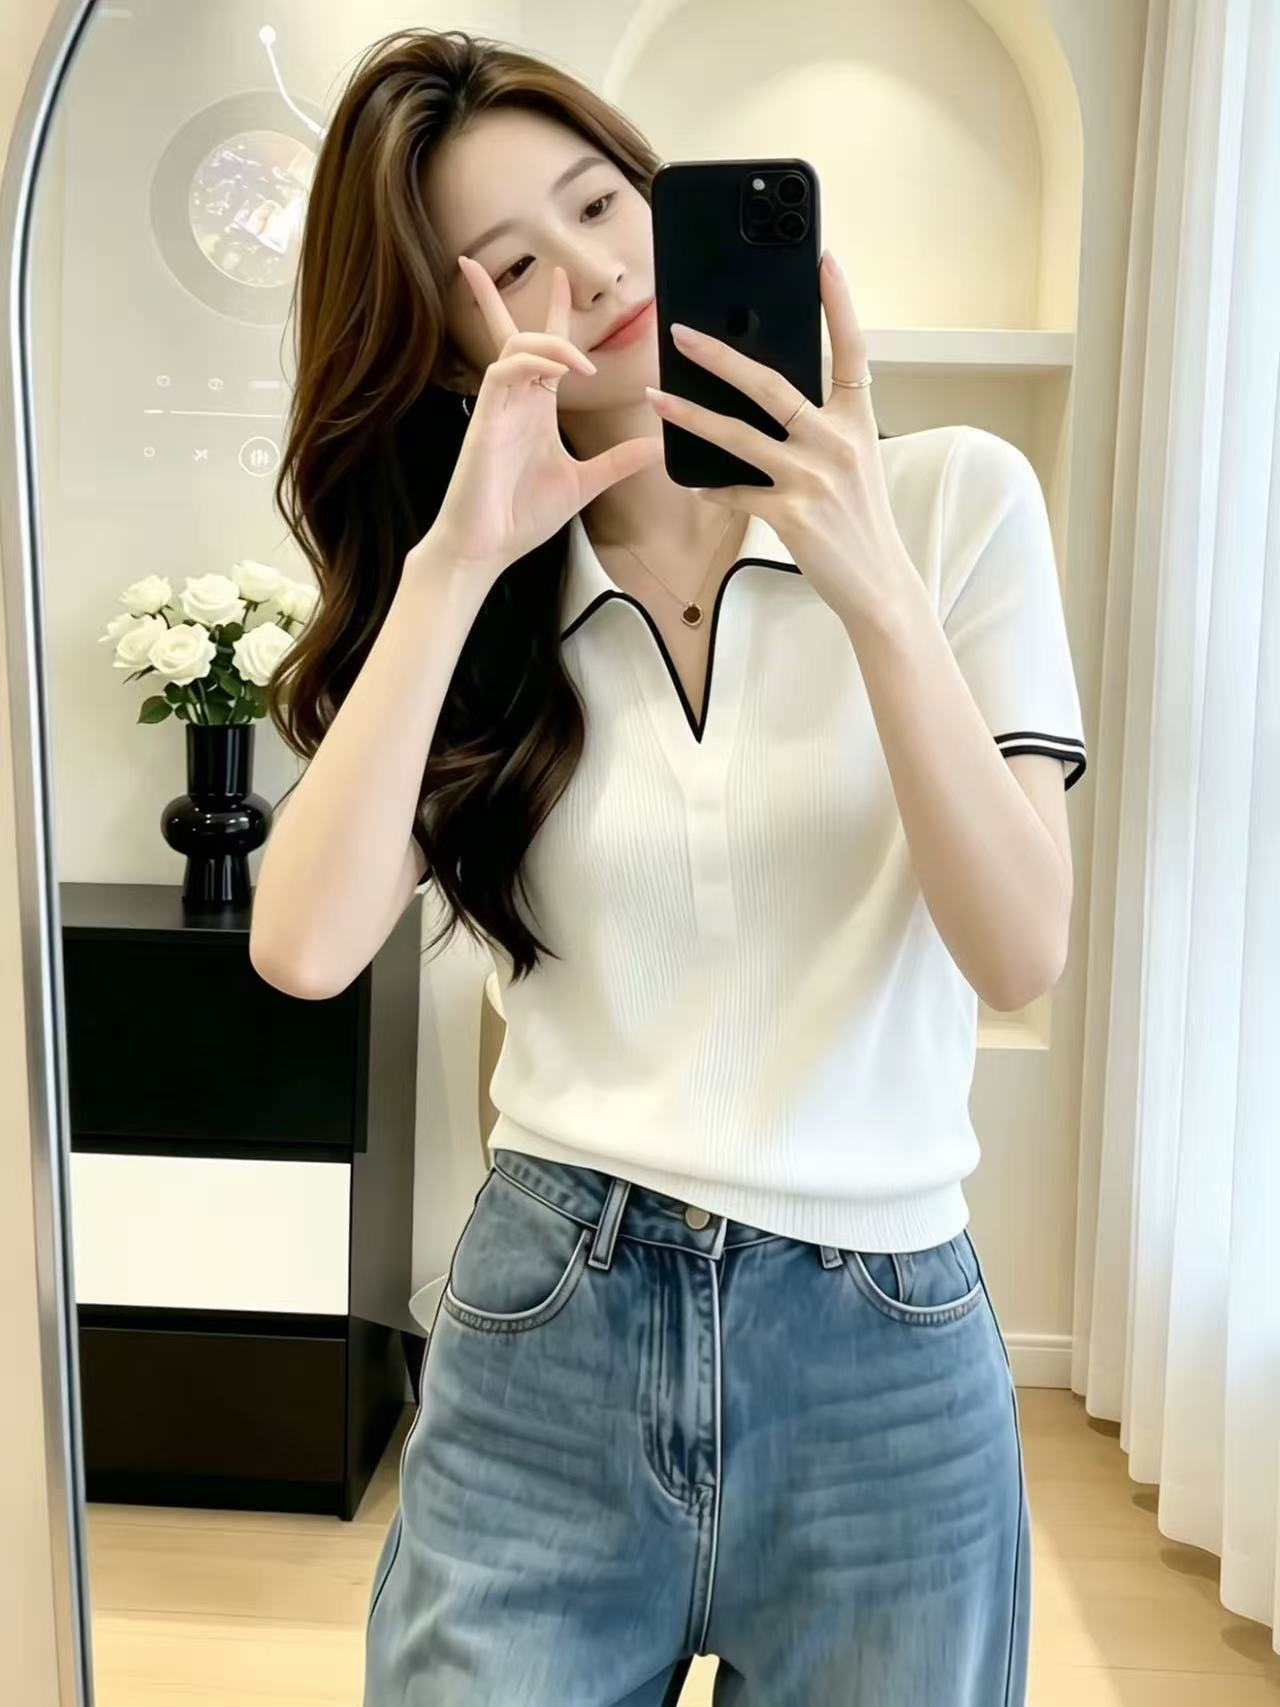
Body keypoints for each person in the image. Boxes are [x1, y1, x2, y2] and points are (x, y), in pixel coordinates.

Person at [249, 25, 1088, 1707]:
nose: (588, 274)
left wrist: (868, 580)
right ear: (447, 339)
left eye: (598, 203)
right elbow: (304, 948)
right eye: (506, 266)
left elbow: (1016, 948)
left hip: (886, 1358)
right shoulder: (481, 598)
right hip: (550, 1325)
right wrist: (455, 565)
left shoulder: (951, 503)